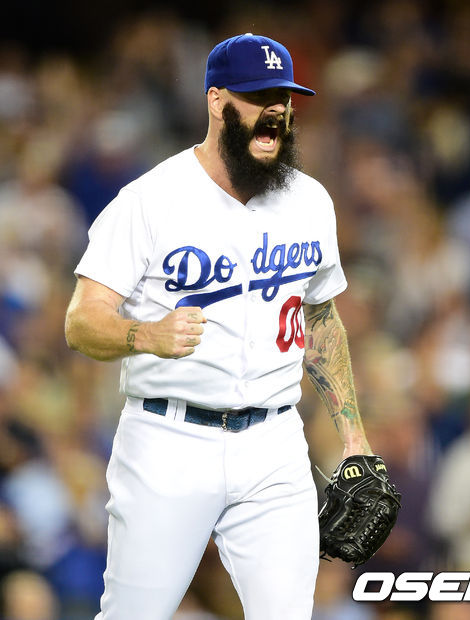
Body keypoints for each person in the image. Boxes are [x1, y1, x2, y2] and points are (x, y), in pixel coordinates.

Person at [65, 33, 373, 620]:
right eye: (257, 97)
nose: (273, 112)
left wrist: (354, 437)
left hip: (275, 442)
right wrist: (146, 335)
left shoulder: (310, 201)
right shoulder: (151, 199)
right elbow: (81, 321)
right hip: (168, 440)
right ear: (216, 101)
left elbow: (320, 318)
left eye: (282, 98)